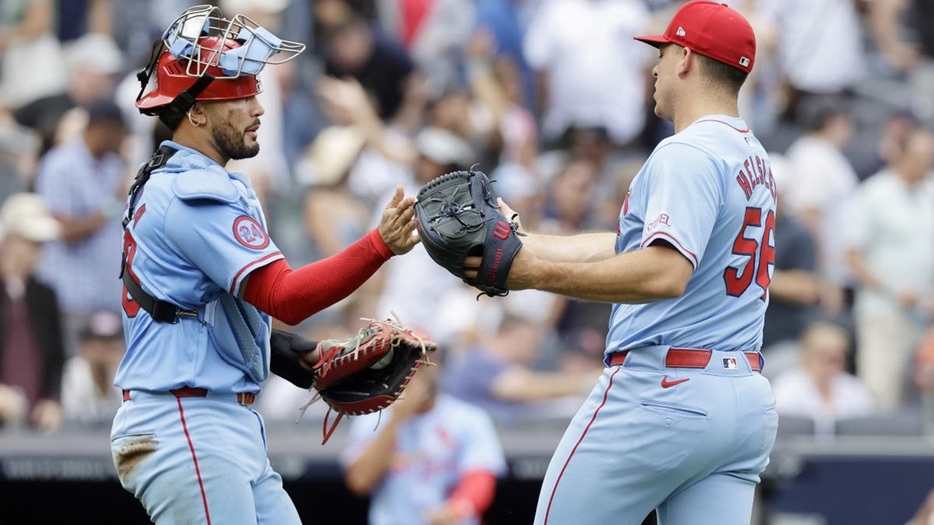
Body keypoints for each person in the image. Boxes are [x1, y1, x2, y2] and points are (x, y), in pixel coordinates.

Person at [463, 3, 779, 523]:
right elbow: (630, 247)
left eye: (661, 52)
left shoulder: (687, 152)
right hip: (741, 396)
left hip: (663, 393)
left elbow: (663, 272)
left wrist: (529, 274)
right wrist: (527, 244)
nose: (652, 67)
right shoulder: (752, 156)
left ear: (685, 59)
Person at [109, 6, 419, 525]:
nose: (257, 107)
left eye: (255, 91)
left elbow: (205, 315)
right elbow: (285, 296)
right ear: (198, 112)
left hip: (217, 421)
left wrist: (306, 357)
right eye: (239, 95)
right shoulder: (191, 191)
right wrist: (380, 245)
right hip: (188, 422)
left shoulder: (187, 179)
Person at [342, 359, 507, 525]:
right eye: (406, 365)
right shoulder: (374, 419)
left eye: (422, 365)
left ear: (438, 365)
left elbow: (481, 477)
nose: (414, 374)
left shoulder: (468, 418)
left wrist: (456, 509)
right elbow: (360, 481)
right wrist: (397, 418)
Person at [844, 126, 934, 411]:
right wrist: (893, 290)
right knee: (881, 393)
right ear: (901, 155)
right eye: (920, 156)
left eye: (929, 156)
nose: (926, 162)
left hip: (927, 315)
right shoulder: (874, 194)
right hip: (884, 313)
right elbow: (852, 256)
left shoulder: (930, 192)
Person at [34, 98, 129, 356]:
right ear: (103, 128)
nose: (123, 140)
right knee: (73, 379)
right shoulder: (59, 165)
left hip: (109, 297)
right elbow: (65, 232)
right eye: (121, 132)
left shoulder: (114, 167)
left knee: (109, 384)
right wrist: (111, 203)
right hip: (71, 299)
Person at [0, 192, 66, 433]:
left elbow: (56, 356)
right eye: (32, 243)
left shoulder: (44, 295)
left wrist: (52, 399)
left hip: (33, 426)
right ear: (9, 240)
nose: (39, 251)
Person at [771, 320, 875, 437]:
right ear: (808, 357)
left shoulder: (854, 388)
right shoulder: (787, 387)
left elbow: (866, 429)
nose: (831, 366)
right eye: (824, 358)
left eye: (836, 360)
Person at [61, 309, 125, 427]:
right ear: (86, 346)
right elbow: (73, 416)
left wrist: (121, 375)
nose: (112, 346)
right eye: (104, 341)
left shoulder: (120, 370)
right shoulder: (76, 371)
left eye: (115, 340)